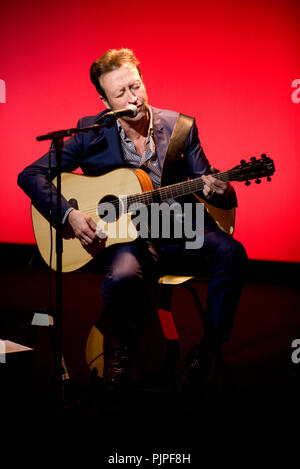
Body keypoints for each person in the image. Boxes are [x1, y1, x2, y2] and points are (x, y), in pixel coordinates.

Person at [18, 48, 248, 392]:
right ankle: (121, 342)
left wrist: (219, 189)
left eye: (136, 86)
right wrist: (70, 214)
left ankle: (207, 351)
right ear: (105, 100)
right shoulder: (90, 133)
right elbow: (30, 175)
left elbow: (210, 185)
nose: (133, 98)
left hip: (178, 228)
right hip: (130, 240)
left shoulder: (181, 127)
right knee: (122, 275)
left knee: (232, 253)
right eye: (121, 93)